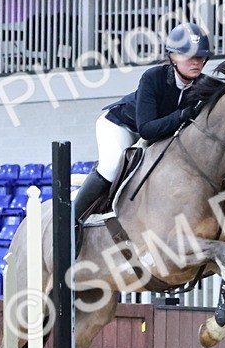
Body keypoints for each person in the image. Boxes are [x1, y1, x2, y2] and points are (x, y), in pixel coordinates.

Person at [72, 22, 214, 223]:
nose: (196, 62)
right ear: (173, 57)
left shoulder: (204, 86)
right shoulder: (153, 77)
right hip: (121, 126)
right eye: (189, 56)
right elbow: (147, 130)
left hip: (159, 135)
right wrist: (182, 115)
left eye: (200, 57)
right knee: (112, 166)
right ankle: (70, 221)